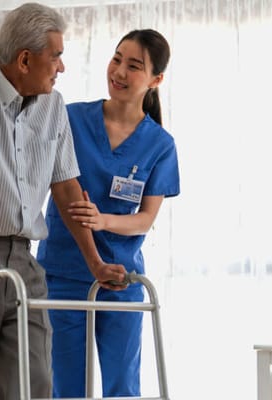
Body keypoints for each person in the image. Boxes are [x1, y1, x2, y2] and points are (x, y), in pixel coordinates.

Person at [0, 3, 128, 399]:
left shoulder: (53, 107)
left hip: (23, 259)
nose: (61, 67)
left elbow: (66, 187)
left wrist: (96, 263)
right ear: (24, 59)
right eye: (57, 56)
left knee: (34, 385)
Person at [36, 29, 180, 398]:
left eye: (134, 66)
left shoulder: (160, 145)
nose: (119, 72)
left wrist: (103, 220)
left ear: (155, 80)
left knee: (122, 386)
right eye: (117, 59)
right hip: (65, 274)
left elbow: (145, 219)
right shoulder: (70, 119)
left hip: (121, 277)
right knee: (68, 386)